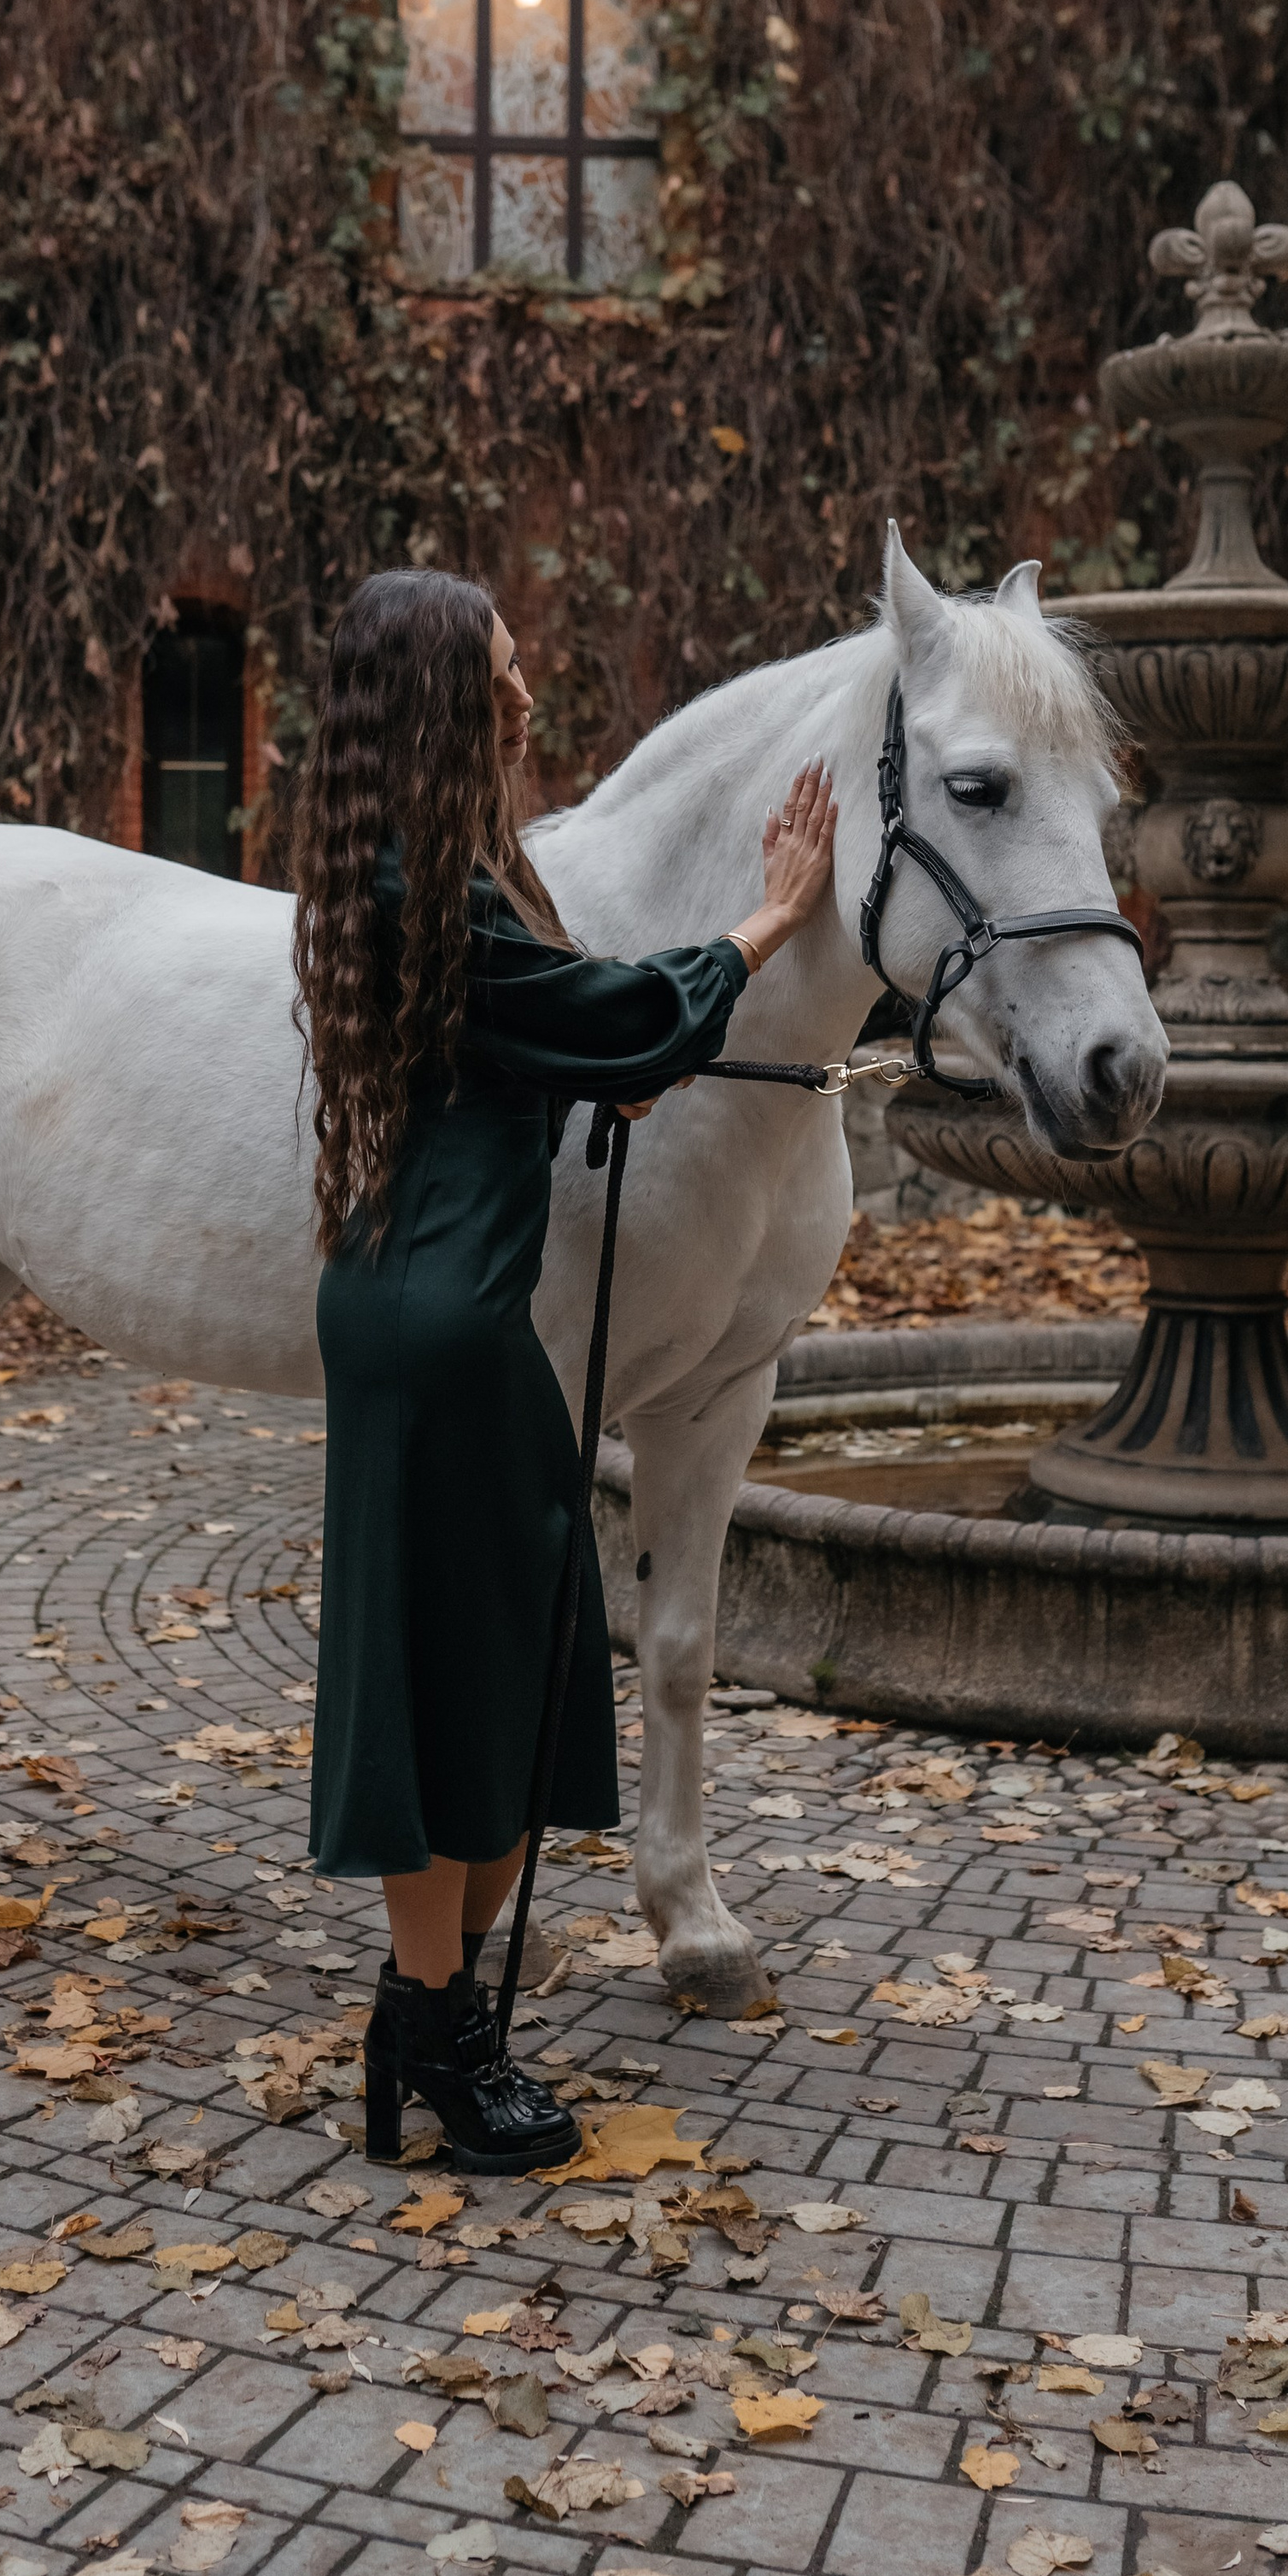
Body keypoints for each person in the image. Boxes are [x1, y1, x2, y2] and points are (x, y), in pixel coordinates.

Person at [290, 568, 839, 2172]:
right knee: (451, 1691)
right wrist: (769, 921)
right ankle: (437, 2035)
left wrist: (605, 1068)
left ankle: (433, 2025)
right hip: (441, 1335)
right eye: (502, 678)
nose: (528, 699)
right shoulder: (430, 895)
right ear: (439, 707)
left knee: (513, 1683)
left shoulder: (439, 882)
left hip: (449, 1322)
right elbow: (616, 1008)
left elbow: (552, 1041)